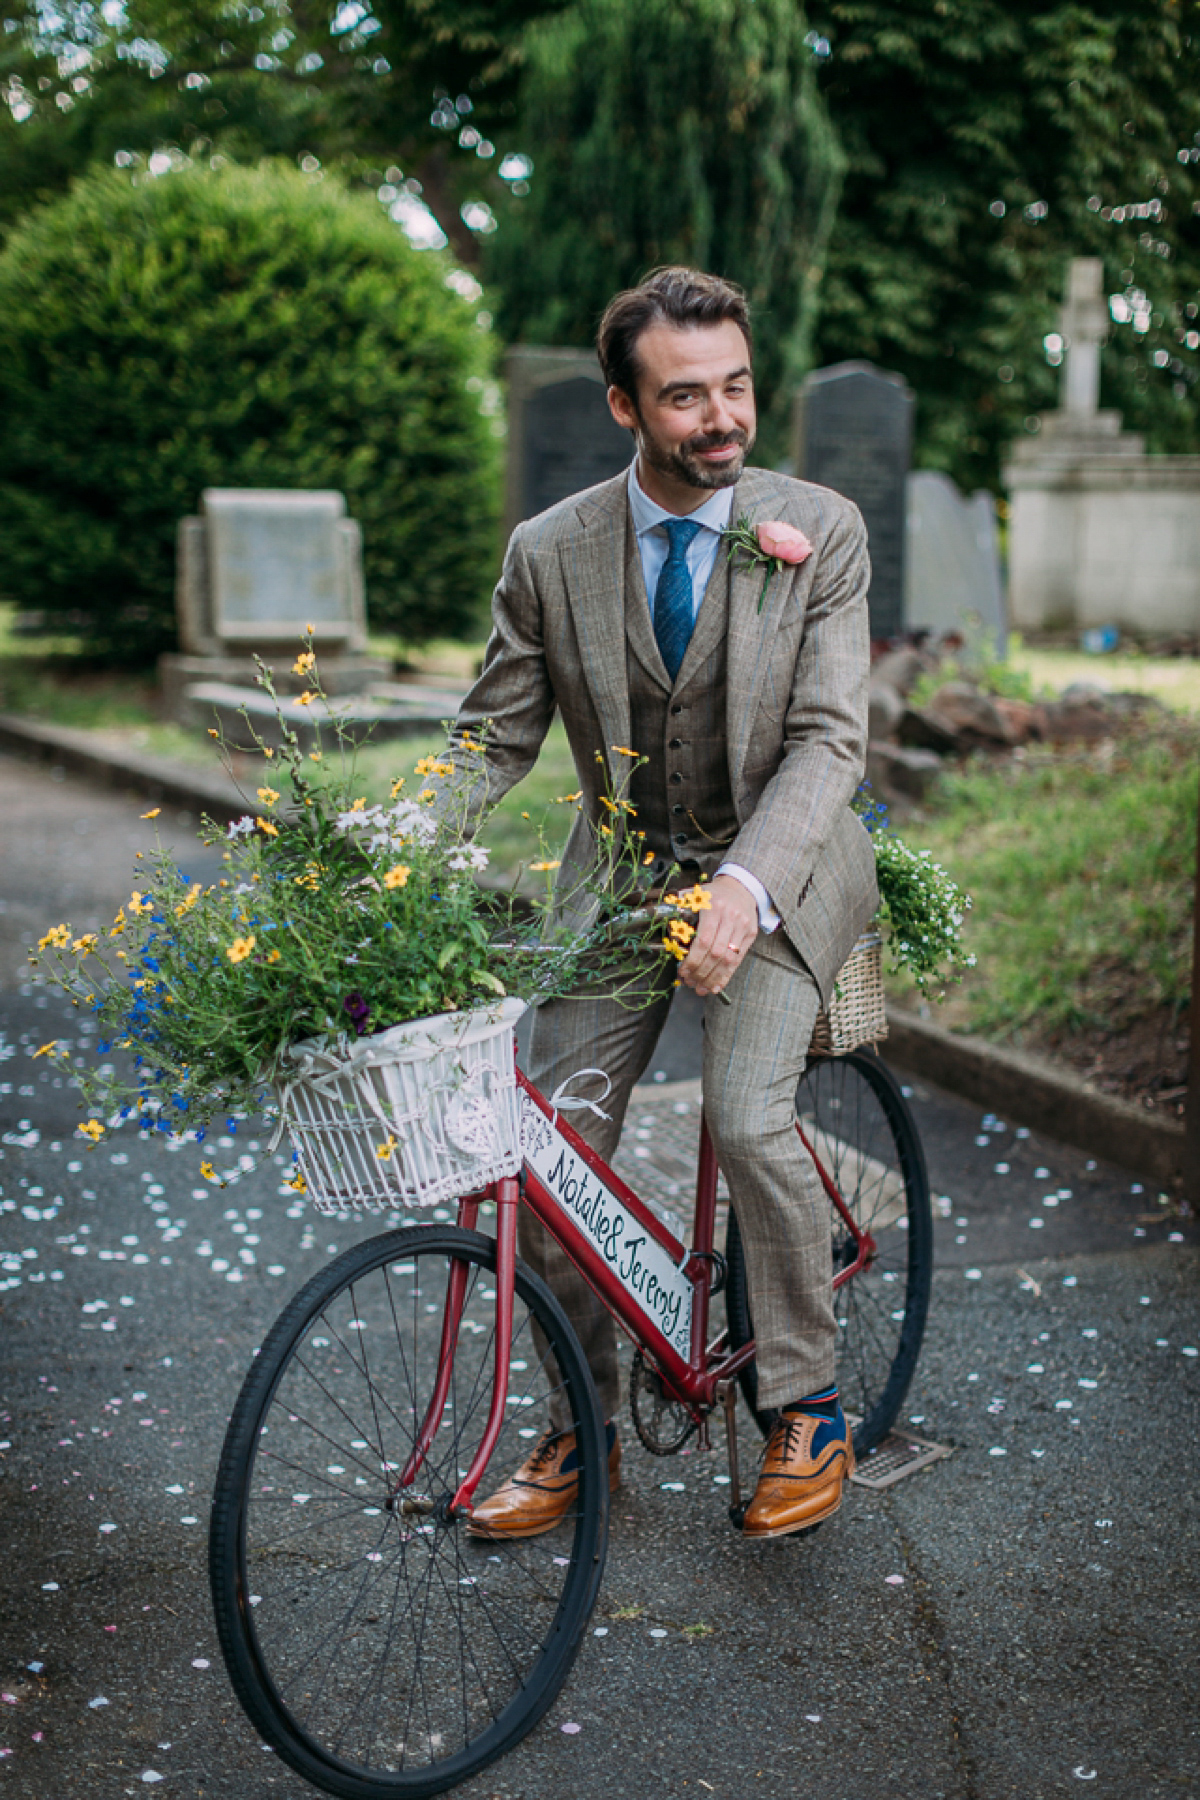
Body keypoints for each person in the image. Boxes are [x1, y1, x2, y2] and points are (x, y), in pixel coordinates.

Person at [443, 266, 877, 1541]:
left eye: (735, 387)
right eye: (685, 396)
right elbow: (487, 744)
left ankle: (807, 1404)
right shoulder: (551, 551)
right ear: (627, 407)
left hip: (786, 864)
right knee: (550, 1147)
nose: (721, 418)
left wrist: (745, 887)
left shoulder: (823, 529)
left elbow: (828, 742)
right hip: (627, 877)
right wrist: (388, 858)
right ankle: (587, 1422)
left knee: (745, 1119)